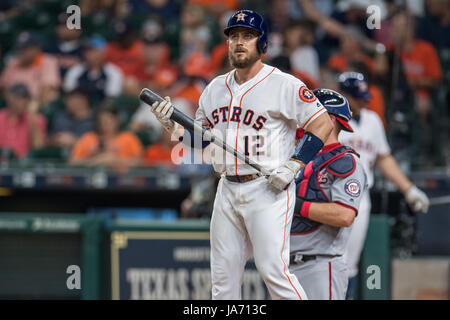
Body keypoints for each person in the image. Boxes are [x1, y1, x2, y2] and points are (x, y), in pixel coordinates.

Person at [149, 9, 333, 300]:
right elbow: (202, 140)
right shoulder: (214, 88)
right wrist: (172, 125)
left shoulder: (283, 84)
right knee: (222, 282)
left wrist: (295, 164)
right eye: (234, 36)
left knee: (274, 272)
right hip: (227, 188)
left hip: (269, 187)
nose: (239, 42)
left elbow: (323, 123)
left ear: (263, 44)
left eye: (248, 36)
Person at [337, 71, 430, 299]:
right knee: (329, 261)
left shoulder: (373, 121)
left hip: (361, 198)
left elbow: (384, 158)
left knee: (350, 264)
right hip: (332, 195)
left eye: (364, 96)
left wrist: (408, 189)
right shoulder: (327, 119)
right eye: (357, 97)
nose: (363, 101)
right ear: (342, 94)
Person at [289, 88, 367, 300]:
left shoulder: (346, 161)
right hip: (283, 268)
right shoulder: (293, 157)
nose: (302, 119)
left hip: (320, 265)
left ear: (330, 120)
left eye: (309, 113)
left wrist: (294, 205)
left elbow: (344, 215)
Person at [70, 106, 143, 171]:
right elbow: (73, 162)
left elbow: (139, 162)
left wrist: (114, 160)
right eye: (103, 120)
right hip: (91, 179)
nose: (106, 123)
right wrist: (97, 160)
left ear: (117, 120)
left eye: (110, 120)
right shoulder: (88, 138)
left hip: (123, 180)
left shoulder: (128, 138)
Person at [0, 31, 60, 106]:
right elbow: (3, 88)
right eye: (20, 48)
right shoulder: (13, 63)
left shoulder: (47, 61)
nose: (22, 51)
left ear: (37, 48)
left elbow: (47, 89)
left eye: (26, 48)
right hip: (14, 107)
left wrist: (36, 106)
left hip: (37, 105)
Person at [63, 34, 123, 105]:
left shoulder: (113, 72)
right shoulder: (75, 71)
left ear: (103, 52)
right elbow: (68, 93)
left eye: (93, 50)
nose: (89, 54)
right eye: (86, 51)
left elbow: (111, 99)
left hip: (102, 110)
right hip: (78, 110)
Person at [0, 83, 47, 158]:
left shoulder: (36, 119)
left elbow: (38, 147)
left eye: (25, 98)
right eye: (18, 98)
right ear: (9, 99)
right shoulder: (1, 117)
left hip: (25, 166)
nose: (22, 101)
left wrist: (32, 119)